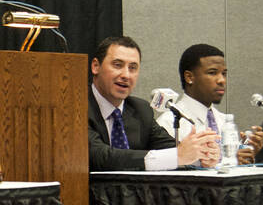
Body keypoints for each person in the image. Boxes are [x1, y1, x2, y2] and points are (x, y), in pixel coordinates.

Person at [88, 36, 220, 172]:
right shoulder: (75, 106)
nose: (126, 75)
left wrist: (201, 155)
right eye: (117, 65)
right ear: (96, 66)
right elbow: (100, 156)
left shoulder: (140, 109)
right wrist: (178, 156)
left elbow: (171, 149)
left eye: (133, 68)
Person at [156, 43, 263, 164]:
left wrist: (247, 152)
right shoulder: (169, 123)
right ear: (189, 77)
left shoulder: (224, 121)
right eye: (212, 73)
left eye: (224, 73)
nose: (222, 80)